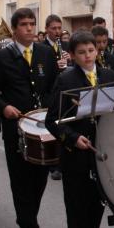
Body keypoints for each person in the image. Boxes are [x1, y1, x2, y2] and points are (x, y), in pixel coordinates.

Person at [0, 8, 57, 228]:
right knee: (20, 178)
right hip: (15, 127)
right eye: (24, 24)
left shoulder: (46, 53)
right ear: (15, 29)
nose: (29, 28)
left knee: (39, 177)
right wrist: (3, 107)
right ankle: (28, 227)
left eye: (32, 23)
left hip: (42, 126)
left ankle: (29, 216)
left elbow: (54, 86)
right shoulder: (1, 57)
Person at [45, 31, 114, 228]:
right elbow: (51, 121)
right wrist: (74, 138)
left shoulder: (108, 76)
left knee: (97, 202)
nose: (88, 56)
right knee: (77, 205)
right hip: (76, 154)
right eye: (82, 52)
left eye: (91, 51)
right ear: (73, 55)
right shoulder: (66, 80)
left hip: (103, 151)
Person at [44, 14, 71, 181]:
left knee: (63, 126)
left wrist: (70, 60)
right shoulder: (41, 47)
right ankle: (52, 164)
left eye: (59, 28)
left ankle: (61, 163)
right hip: (49, 92)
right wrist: (55, 66)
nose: (57, 31)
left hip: (64, 91)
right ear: (47, 29)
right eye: (53, 28)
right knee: (51, 127)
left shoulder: (66, 45)